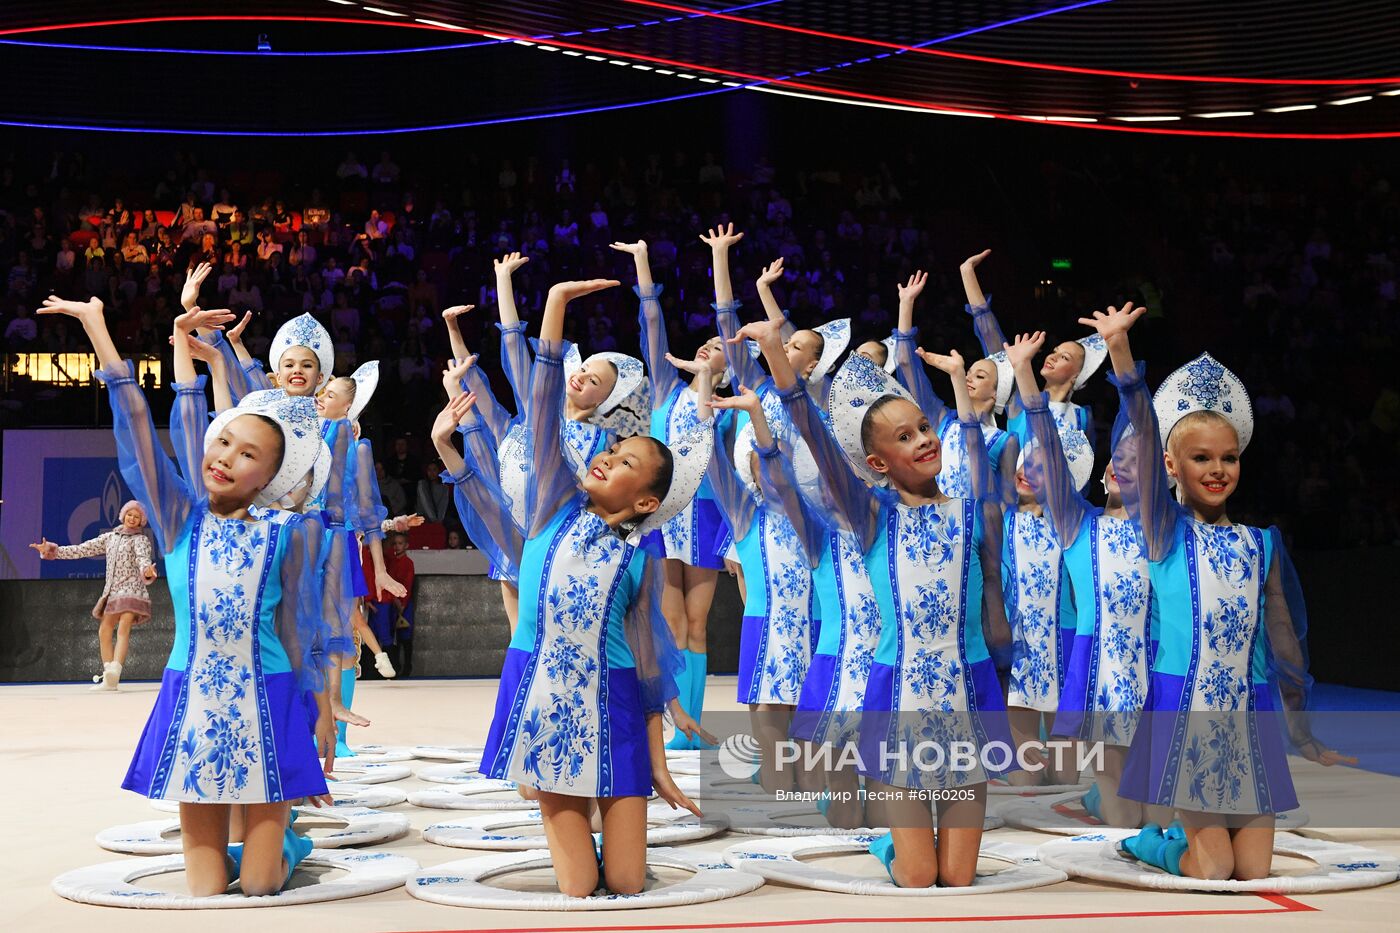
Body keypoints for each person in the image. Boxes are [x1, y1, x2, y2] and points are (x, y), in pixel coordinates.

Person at [38, 294, 339, 897]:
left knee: (259, 886)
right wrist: (99, 327)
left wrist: (321, 709)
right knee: (205, 892)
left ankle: (288, 843)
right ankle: (255, 847)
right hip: (193, 696)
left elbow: (299, 631)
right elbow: (137, 431)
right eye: (224, 443)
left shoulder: (289, 535)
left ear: (271, 478)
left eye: (249, 454)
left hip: (272, 695)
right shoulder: (179, 519)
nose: (227, 457)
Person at [431, 277, 710, 897]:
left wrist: (659, 766)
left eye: (626, 460)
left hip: (615, 709)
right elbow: (544, 394)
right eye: (612, 449)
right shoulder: (553, 507)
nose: (607, 457)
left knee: (630, 885)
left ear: (645, 500)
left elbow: (646, 669)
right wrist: (553, 307)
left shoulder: (640, 556)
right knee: (580, 892)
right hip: (548, 703)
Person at [1085, 301, 1352, 881]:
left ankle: (1179, 836)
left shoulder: (1263, 542)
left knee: (1253, 872)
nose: (1217, 468)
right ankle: (1153, 843)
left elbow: (1283, 638)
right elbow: (1141, 415)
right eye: (1200, 457)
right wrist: (1121, 355)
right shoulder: (1162, 531)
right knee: (1212, 871)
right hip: (1184, 707)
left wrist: (1301, 727)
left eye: (1228, 457)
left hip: (1248, 711)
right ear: (1170, 467)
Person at [760, 324, 1012, 889]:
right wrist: (777, 356)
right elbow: (818, 441)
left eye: (924, 427)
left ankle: (905, 838)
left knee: (960, 876)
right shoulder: (873, 518)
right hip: (898, 694)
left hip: (968, 694)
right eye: (904, 438)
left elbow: (994, 601)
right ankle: (888, 845)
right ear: (877, 464)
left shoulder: (975, 511)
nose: (923, 439)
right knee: (920, 877)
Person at [1005, 330, 1152, 820]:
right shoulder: (1077, 523)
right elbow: (1043, 443)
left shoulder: (1166, 528)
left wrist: (1120, 354)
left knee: (1151, 799)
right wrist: (1025, 372)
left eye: (1137, 463)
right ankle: (1105, 804)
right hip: (1102, 671)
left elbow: (1149, 434)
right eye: (1117, 460)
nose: (1122, 466)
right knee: (1121, 814)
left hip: (1158, 666)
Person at [614, 238, 733, 749]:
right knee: (668, 619)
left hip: (703, 515)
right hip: (663, 513)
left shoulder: (729, 404)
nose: (709, 346)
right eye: (705, 343)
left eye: (720, 346)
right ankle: (672, 718)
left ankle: (695, 727)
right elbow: (652, 324)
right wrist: (643, 262)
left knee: (698, 623)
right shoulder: (664, 389)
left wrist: (708, 379)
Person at [30, 500, 158, 691]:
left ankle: (116, 668)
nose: (132, 518)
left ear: (141, 521)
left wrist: (147, 571)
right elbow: (82, 549)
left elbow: (143, 560)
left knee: (124, 626)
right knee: (104, 629)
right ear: (123, 516)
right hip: (113, 592)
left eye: (137, 516)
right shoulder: (110, 537)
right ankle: (109, 677)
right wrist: (52, 551)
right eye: (130, 514)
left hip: (132, 590)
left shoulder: (140, 540)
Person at [363, 531, 417, 677]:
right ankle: (372, 671)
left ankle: (394, 668)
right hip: (377, 599)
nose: (396, 547)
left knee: (388, 635)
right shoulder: (370, 554)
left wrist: (400, 602)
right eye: (394, 543)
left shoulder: (390, 558)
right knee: (375, 634)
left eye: (399, 544)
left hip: (385, 599)